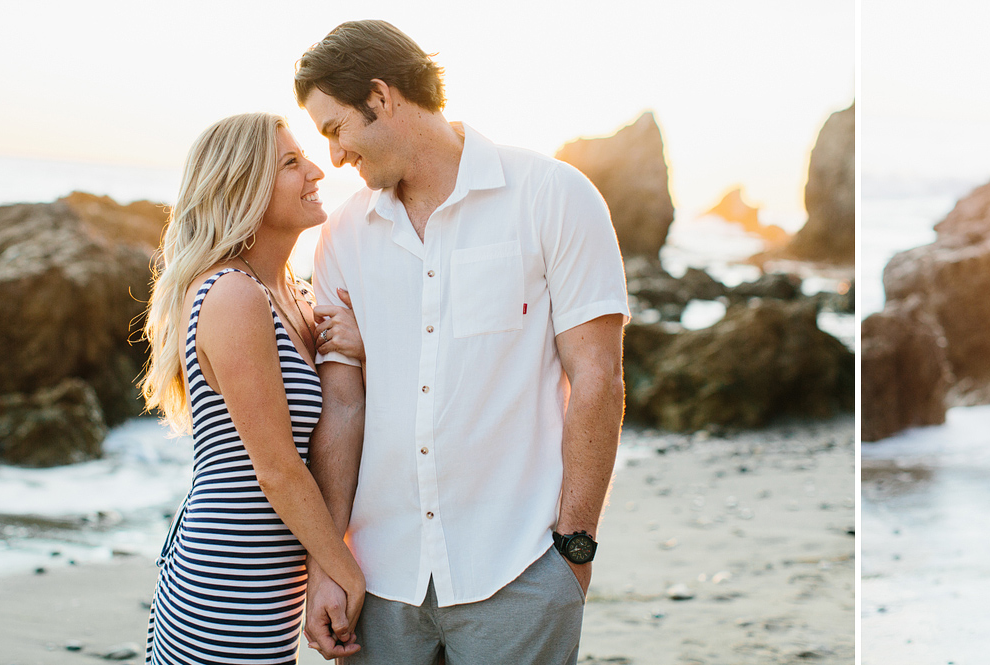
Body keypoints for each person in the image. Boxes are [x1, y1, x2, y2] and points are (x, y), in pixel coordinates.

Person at [293, 20, 631, 664]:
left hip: (521, 566)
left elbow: (599, 377)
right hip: (379, 578)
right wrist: (329, 563)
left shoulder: (552, 196)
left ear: (381, 97)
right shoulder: (342, 236)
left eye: (335, 129)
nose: (334, 156)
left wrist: (573, 553)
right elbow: (341, 407)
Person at [136, 112, 369, 663]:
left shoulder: (293, 293)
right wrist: (341, 569)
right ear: (244, 188)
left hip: (268, 580)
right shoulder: (232, 293)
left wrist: (356, 351)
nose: (316, 169)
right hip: (226, 581)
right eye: (291, 162)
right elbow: (277, 467)